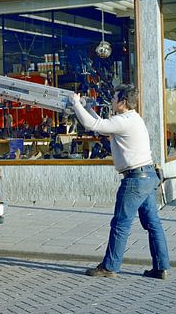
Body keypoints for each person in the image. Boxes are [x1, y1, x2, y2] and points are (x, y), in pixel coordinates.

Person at [69, 84, 170, 280]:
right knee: (153, 224)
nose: (112, 101)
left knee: (120, 224)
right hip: (148, 175)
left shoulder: (124, 120)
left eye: (114, 98)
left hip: (135, 180)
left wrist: (75, 104)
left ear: (122, 102)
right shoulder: (132, 118)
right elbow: (104, 125)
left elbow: (93, 126)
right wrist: (87, 108)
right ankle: (161, 267)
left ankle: (109, 266)